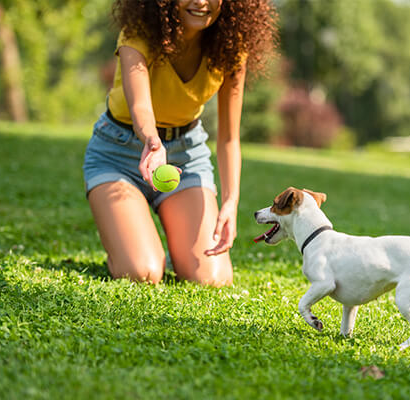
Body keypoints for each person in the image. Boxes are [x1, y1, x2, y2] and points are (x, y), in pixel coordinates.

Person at [82, 0, 278, 286]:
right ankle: (128, 246)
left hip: (186, 157)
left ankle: (174, 250)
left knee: (213, 278)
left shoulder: (231, 45)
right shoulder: (138, 33)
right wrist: (152, 142)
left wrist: (230, 202)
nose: (201, 1)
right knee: (142, 272)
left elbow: (229, 137)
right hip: (118, 154)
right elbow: (141, 109)